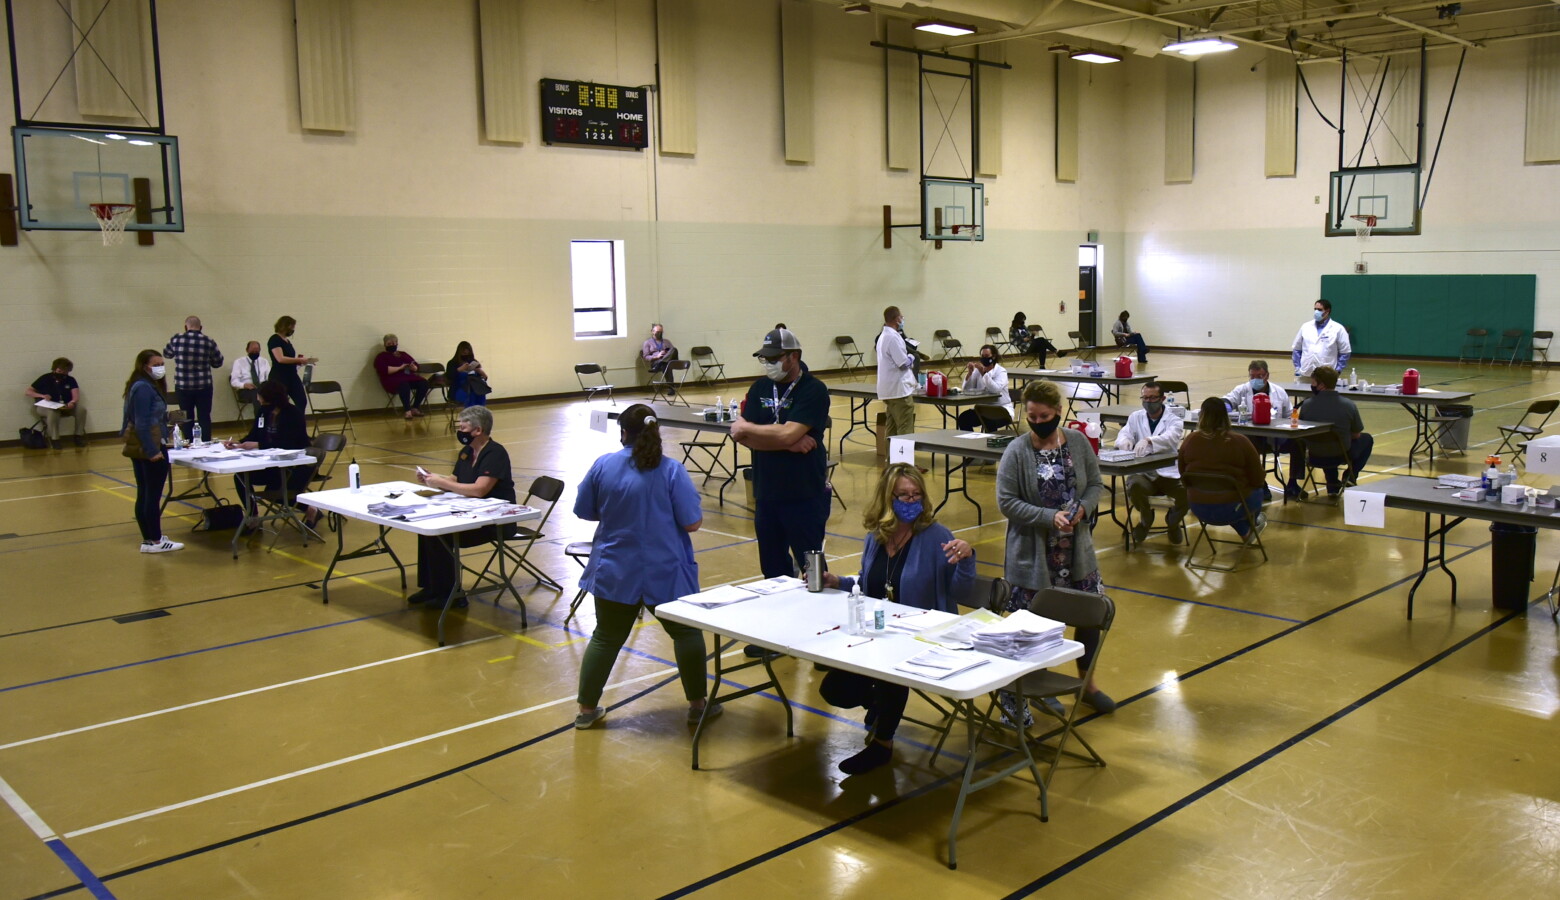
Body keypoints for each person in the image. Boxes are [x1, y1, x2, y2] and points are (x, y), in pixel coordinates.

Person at [818, 464, 975, 773]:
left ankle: (882, 744)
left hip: (922, 635)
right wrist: (839, 581)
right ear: (887, 498)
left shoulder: (935, 536)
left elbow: (960, 590)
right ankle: (877, 706)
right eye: (902, 495)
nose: (910, 501)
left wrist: (967, 558)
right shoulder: (876, 536)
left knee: (892, 674)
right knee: (834, 688)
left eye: (916, 495)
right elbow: (868, 582)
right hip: (879, 630)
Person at [572, 404, 715, 731]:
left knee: (606, 637)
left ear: (622, 432)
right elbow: (692, 523)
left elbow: (584, 510)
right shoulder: (671, 470)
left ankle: (586, 710)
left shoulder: (603, 466)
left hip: (615, 569)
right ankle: (697, 705)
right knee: (686, 632)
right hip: (666, 569)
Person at [995, 379, 1114, 718]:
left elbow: (1094, 484)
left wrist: (1083, 509)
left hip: (1077, 552)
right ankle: (1038, 685)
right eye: (1031, 415)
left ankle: (1087, 685)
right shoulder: (1016, 451)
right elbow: (1006, 502)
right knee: (1036, 624)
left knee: (1087, 617)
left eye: (1044, 415)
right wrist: (1049, 517)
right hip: (1033, 555)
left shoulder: (1077, 443)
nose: (1037, 421)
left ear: (1058, 413)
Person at [730, 327, 831, 658]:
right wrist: (784, 438)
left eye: (774, 358)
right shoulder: (760, 387)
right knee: (772, 568)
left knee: (812, 568)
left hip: (805, 495)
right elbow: (740, 433)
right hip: (768, 494)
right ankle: (778, 637)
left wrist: (773, 436)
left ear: (794, 357)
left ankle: (823, 637)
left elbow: (770, 433)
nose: (768, 364)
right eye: (764, 358)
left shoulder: (814, 390)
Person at [410, 406, 515, 605]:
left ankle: (451, 594)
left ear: (478, 430)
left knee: (441, 535)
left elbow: (479, 490)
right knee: (426, 529)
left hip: (496, 521)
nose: (460, 431)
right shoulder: (466, 452)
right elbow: (455, 479)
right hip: (471, 513)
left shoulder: (495, 453)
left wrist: (442, 483)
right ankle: (431, 587)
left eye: (463, 427)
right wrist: (432, 479)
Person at [224, 380, 318, 528]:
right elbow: (254, 434)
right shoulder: (263, 411)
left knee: (276, 493)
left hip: (294, 467)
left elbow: (289, 443)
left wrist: (260, 445)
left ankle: (310, 509)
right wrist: (238, 443)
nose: (257, 399)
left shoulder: (293, 414)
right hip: (271, 464)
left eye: (260, 396)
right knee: (241, 476)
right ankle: (252, 515)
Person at [1178, 398, 1268, 543]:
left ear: (1201, 416)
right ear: (1226, 417)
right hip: (1231, 508)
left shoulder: (1190, 440)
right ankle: (1250, 526)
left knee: (1227, 494)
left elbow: (1183, 473)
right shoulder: (1240, 441)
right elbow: (1258, 478)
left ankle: (1245, 531)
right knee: (1255, 491)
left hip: (1197, 506)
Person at [121, 349, 182, 554]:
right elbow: (141, 422)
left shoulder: (145, 386)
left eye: (161, 363)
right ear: (144, 366)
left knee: (146, 492)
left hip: (151, 442)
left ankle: (149, 538)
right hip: (150, 447)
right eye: (155, 364)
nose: (160, 368)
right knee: (151, 494)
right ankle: (154, 540)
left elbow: (150, 416)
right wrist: (151, 450)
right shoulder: (143, 388)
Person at [1115, 382, 1188, 545]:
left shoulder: (1174, 420)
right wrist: (1124, 441)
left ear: (1162, 399)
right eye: (1145, 397)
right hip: (1144, 474)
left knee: (1188, 493)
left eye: (1152, 398)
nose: (1148, 401)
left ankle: (1173, 522)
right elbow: (1124, 433)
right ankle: (1145, 520)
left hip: (1168, 474)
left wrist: (1149, 440)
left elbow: (1171, 437)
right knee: (1134, 486)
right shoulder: (1136, 416)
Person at [1224, 359, 1300, 500]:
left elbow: (1290, 415)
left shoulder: (1279, 392)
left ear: (1267, 375)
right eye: (1252, 376)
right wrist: (1227, 406)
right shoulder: (1242, 390)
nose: (1255, 380)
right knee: (1248, 443)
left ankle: (1293, 482)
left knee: (1298, 442)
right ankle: (1260, 483)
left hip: (1276, 436)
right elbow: (1227, 400)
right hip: (1252, 437)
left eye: (1259, 376)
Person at [1297, 366, 1374, 494]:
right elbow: (1356, 434)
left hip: (1314, 455)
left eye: (1313, 382)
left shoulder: (1307, 405)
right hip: (1340, 454)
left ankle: (1332, 484)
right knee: (1366, 439)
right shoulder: (1348, 405)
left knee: (1324, 438)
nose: (1312, 385)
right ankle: (1350, 475)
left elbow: (1303, 431)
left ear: (1321, 385)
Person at [163, 315, 224, 440]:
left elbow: (167, 354)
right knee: (204, 416)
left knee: (185, 416)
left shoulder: (177, 339)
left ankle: (189, 442)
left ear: (185, 327)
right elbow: (218, 362)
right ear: (201, 327)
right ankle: (206, 441)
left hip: (183, 385)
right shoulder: (208, 341)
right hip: (204, 385)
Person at [25, 357, 86, 448]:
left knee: (81, 410)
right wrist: (42, 396)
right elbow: (28, 392)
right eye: (60, 370)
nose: (63, 373)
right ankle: (55, 439)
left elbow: (75, 396)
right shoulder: (45, 378)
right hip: (46, 407)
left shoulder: (71, 380)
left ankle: (78, 435)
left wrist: (72, 402)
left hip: (64, 406)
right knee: (53, 412)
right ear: (55, 369)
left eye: (65, 371)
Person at [876, 306, 917, 439]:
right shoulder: (893, 337)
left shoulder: (883, 336)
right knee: (905, 430)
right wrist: (912, 357)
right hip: (899, 391)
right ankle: (902, 460)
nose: (903, 319)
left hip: (889, 390)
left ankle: (892, 459)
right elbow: (903, 363)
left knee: (892, 429)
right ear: (897, 319)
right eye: (901, 317)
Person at [956, 344, 1012, 433]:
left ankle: (990, 444)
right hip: (982, 409)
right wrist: (970, 373)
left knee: (989, 420)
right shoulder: (977, 371)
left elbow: (995, 389)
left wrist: (984, 374)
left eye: (986, 356)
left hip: (1000, 410)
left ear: (993, 357)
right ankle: (971, 442)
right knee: (963, 418)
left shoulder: (1001, 372)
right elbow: (966, 390)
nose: (984, 358)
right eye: (982, 356)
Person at [374, 334, 430, 419]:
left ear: (397, 343)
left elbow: (415, 364)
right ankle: (407, 410)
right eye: (389, 344)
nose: (392, 345)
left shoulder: (403, 354)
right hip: (392, 380)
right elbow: (384, 370)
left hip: (408, 377)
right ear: (385, 345)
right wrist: (400, 367)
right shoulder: (381, 356)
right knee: (403, 385)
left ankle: (415, 407)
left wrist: (414, 367)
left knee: (424, 383)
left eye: (394, 343)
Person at [1292, 299, 1351, 378]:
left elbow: (1345, 352)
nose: (1316, 312)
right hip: (1305, 373)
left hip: (1327, 376)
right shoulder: (1306, 327)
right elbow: (1296, 349)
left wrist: (1338, 370)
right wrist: (1298, 368)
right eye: (1315, 309)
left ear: (1327, 311)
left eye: (1319, 310)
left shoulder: (1338, 329)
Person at [268, 316, 316, 413]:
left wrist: (301, 361)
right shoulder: (274, 339)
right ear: (284, 326)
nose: (293, 329)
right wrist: (298, 359)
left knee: (301, 401)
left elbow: (290, 359)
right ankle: (281, 425)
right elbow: (280, 359)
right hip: (279, 377)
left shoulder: (287, 341)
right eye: (291, 327)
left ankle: (297, 423)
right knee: (280, 403)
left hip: (292, 375)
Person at [229, 340, 272, 417]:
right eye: (253, 349)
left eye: (257, 350)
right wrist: (244, 385)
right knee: (257, 395)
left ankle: (274, 421)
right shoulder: (239, 362)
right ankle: (260, 421)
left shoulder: (264, 361)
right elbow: (233, 381)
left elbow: (269, 377)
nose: (255, 351)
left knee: (276, 394)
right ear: (247, 350)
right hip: (246, 391)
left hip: (262, 388)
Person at [446, 341, 489, 408]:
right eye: (463, 353)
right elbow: (449, 377)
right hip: (460, 389)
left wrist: (481, 373)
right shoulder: (452, 363)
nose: (466, 355)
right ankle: (471, 414)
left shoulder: (473, 361)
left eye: (468, 353)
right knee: (471, 392)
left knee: (480, 390)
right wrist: (459, 369)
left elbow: (483, 378)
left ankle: (480, 412)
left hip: (475, 388)